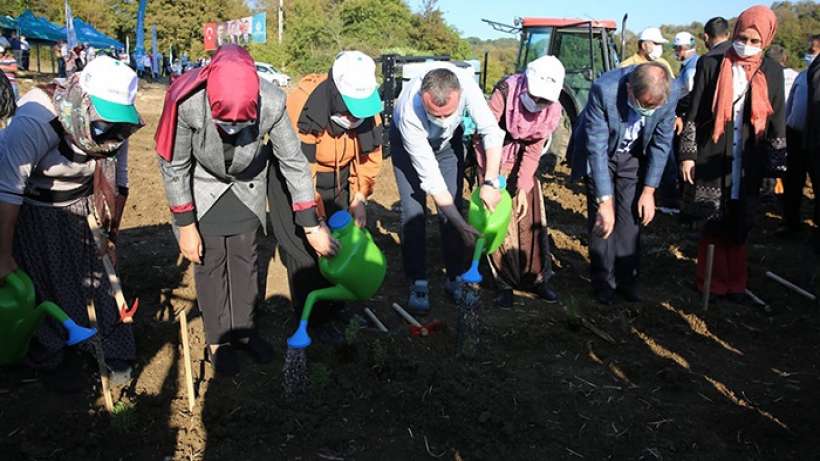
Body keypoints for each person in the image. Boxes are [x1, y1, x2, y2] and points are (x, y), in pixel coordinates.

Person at [155, 45, 335, 377]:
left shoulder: (272, 101)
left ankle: (245, 330)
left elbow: (293, 161)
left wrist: (310, 223)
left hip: (247, 182)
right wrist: (185, 225)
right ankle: (219, 341)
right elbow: (175, 164)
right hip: (203, 183)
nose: (234, 130)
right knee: (210, 262)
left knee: (244, 257)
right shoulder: (188, 100)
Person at [0, 56, 143, 391]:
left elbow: (118, 181)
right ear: (83, 102)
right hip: (31, 212)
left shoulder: (117, 127)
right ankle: (55, 353)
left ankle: (115, 353)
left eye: (116, 126)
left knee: (103, 282)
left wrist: (111, 236)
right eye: (103, 124)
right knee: (46, 283)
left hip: (83, 205)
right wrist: (3, 254)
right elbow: (7, 189)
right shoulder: (36, 118)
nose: (111, 135)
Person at [269, 50, 383, 336]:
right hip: (294, 181)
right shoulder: (304, 103)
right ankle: (312, 320)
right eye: (349, 109)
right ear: (336, 92)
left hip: (337, 179)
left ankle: (335, 309)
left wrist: (359, 197)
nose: (355, 117)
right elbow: (298, 169)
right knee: (307, 254)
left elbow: (370, 156)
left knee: (337, 247)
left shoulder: (369, 107)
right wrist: (312, 224)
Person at [680, 5, 785, 303]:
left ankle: (735, 284)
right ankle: (709, 282)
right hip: (713, 152)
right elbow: (696, 111)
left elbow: (776, 119)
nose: (747, 46)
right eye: (743, 38)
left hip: (749, 157)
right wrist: (687, 154)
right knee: (713, 220)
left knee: (740, 223)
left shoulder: (771, 71)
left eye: (755, 41)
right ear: (735, 32)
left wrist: (774, 169)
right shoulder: (711, 63)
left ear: (766, 39)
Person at [391, 63, 505, 314]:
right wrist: (462, 225)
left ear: (460, 94)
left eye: (448, 114)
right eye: (436, 115)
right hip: (408, 146)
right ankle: (417, 280)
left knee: (454, 203)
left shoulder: (467, 87)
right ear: (423, 98)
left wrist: (490, 181)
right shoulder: (409, 112)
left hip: (448, 144)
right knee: (413, 210)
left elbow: (491, 131)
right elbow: (431, 179)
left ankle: (454, 276)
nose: (442, 120)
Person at [569, 63, 678, 305]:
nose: (647, 112)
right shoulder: (604, 89)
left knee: (630, 222)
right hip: (603, 153)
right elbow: (596, 146)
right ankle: (603, 283)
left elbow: (662, 144)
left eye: (653, 107)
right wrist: (604, 201)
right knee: (603, 222)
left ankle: (626, 282)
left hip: (633, 157)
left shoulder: (671, 93)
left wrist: (649, 191)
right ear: (629, 89)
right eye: (643, 105)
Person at [475, 55, 564, 308]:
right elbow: (484, 134)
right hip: (493, 157)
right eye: (535, 97)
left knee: (529, 221)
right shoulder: (505, 92)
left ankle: (536, 279)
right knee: (499, 223)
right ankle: (503, 282)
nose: (537, 103)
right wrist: (490, 178)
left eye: (543, 100)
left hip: (523, 164)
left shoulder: (553, 110)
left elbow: (534, 149)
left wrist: (523, 187)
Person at [659, 31, 701, 213]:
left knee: (681, 156)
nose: (676, 52)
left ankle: (680, 200)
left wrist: (681, 116)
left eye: (677, 48)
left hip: (685, 118)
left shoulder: (691, 68)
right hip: (683, 115)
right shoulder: (688, 65)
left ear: (684, 48)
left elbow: (691, 96)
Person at [783, 36, 820, 238]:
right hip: (796, 136)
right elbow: (790, 104)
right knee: (793, 181)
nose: (809, 54)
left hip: (816, 139)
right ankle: (791, 223)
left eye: (813, 50)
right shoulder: (802, 76)